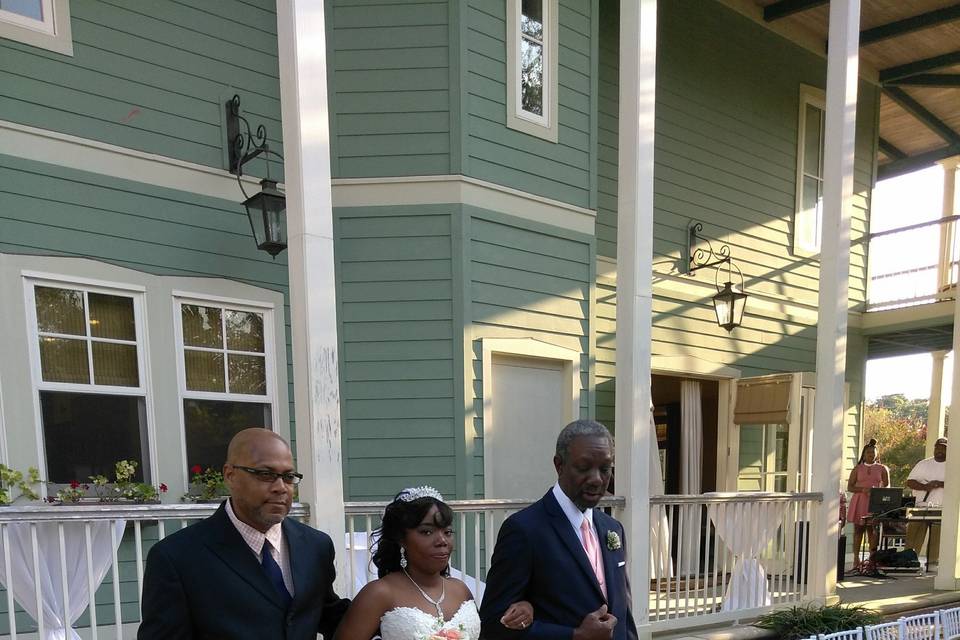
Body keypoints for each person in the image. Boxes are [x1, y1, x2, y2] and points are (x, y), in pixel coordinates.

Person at [138, 428, 350, 639]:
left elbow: (327, 614)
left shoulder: (316, 546)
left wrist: (381, 605)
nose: (281, 487)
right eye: (266, 474)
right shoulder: (176, 558)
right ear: (230, 475)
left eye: (288, 477)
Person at [480, 419, 638, 640]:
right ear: (559, 465)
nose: (596, 479)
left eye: (605, 469)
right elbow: (493, 624)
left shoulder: (613, 528)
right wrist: (575, 635)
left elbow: (623, 612)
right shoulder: (524, 530)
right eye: (584, 468)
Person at [334, 487, 533, 640]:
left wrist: (523, 610)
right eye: (427, 532)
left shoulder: (460, 589)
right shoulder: (379, 593)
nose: (442, 541)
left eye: (447, 532)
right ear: (402, 539)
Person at [844, 439, 889, 573]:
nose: (870, 454)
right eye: (868, 452)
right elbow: (850, 486)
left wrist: (877, 489)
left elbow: (886, 485)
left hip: (875, 502)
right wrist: (863, 489)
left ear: (876, 454)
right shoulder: (857, 468)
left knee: (872, 530)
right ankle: (856, 559)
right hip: (860, 501)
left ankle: (872, 560)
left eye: (873, 452)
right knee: (859, 530)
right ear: (864, 454)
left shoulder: (882, 468)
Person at [905, 437, 947, 566]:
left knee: (936, 539)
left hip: (941, 508)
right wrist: (925, 486)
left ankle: (933, 564)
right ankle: (909, 561)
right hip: (920, 507)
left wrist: (940, 484)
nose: (939, 450)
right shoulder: (923, 464)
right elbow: (909, 482)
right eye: (937, 447)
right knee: (914, 536)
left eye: (943, 448)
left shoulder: (953, 465)